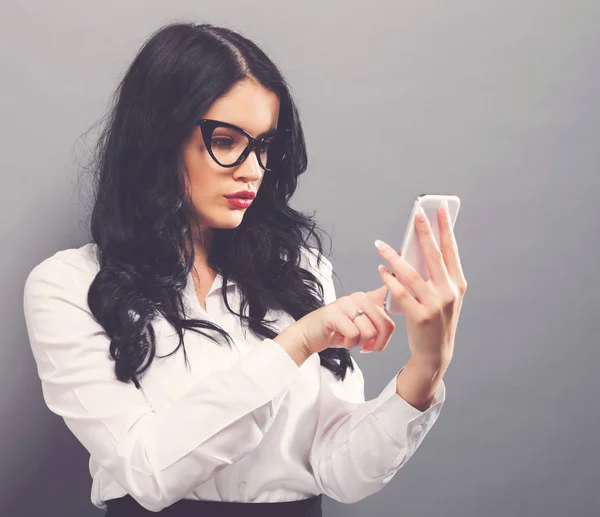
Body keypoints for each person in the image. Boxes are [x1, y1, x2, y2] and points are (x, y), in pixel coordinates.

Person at [23, 22, 467, 517]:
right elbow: (148, 472)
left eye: (264, 146)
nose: (253, 169)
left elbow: (340, 472)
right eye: (227, 141)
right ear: (158, 140)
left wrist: (426, 368)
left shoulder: (297, 272)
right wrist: (298, 342)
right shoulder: (69, 286)